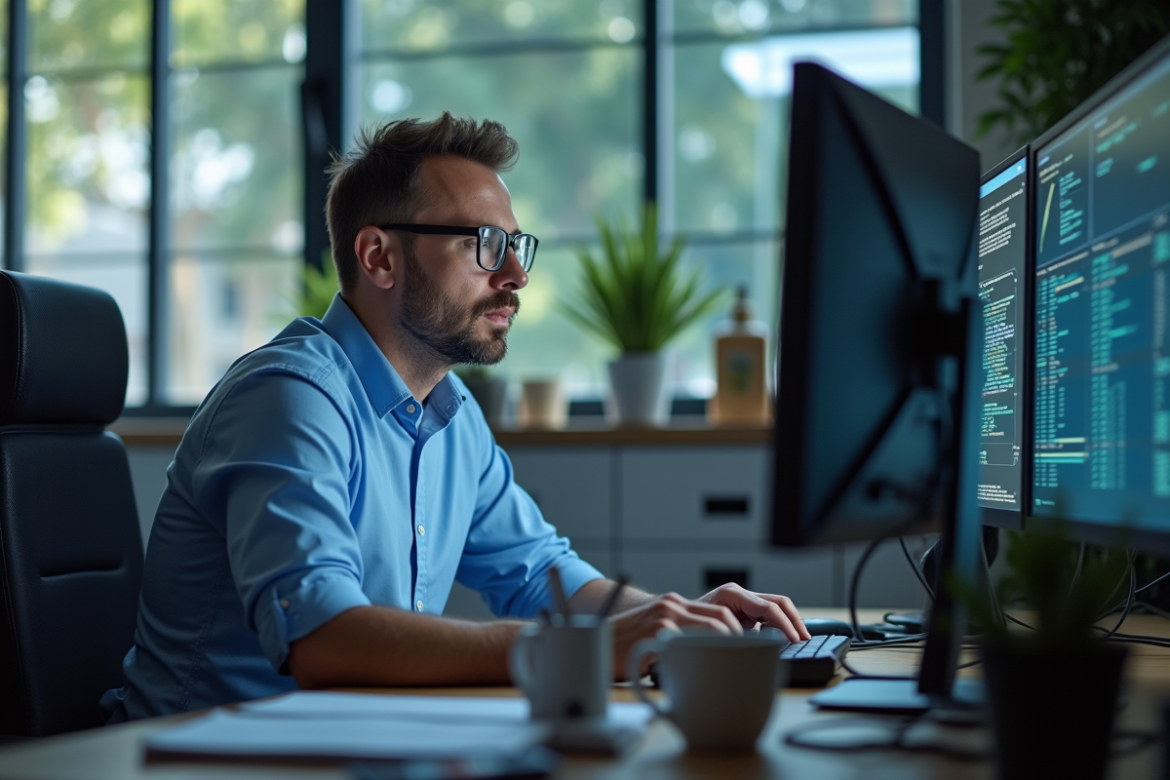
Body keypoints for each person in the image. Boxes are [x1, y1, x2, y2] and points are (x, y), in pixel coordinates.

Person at [103, 113, 810, 721]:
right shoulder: (289, 396)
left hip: (347, 742)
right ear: (379, 255)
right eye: (484, 244)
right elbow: (324, 643)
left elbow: (539, 575)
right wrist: (596, 647)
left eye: (516, 246)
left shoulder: (450, 414)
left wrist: (685, 624)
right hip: (200, 755)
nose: (516, 276)